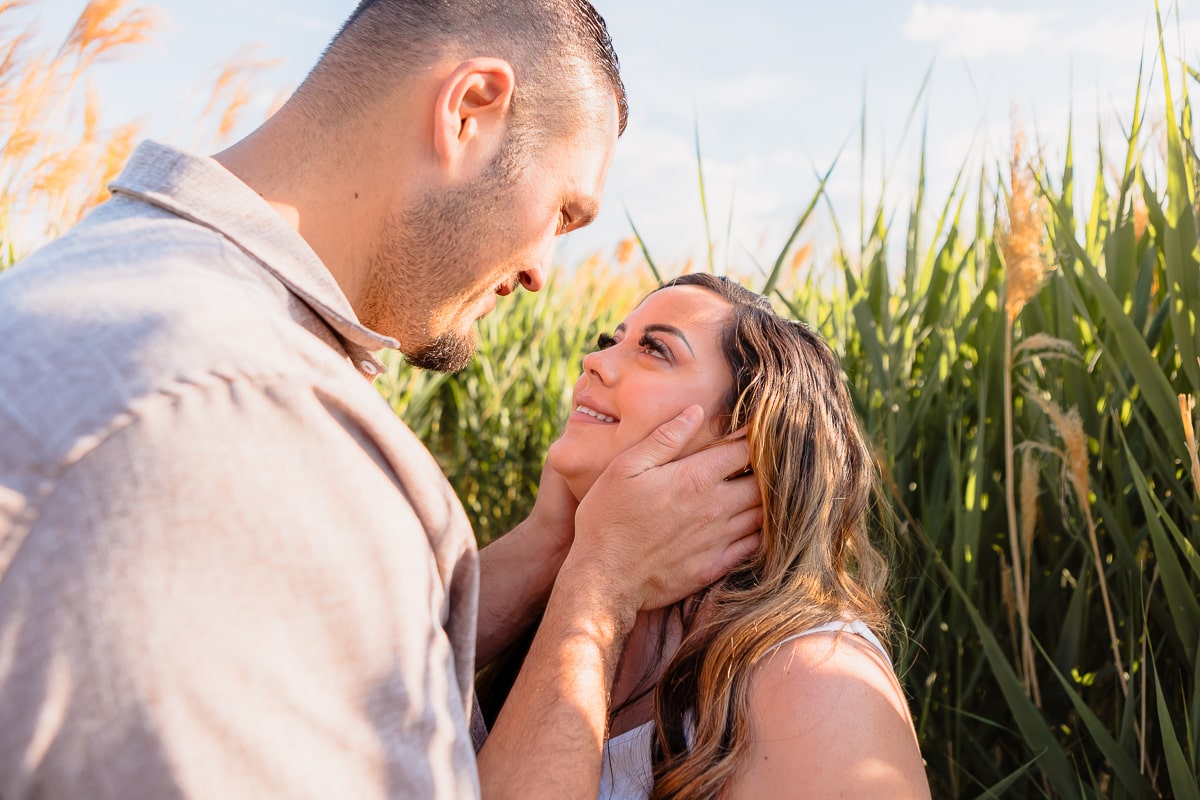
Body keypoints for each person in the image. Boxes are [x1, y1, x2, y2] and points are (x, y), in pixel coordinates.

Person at [0, 2, 761, 798]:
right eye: (564, 211)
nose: (542, 270)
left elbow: (345, 655)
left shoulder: (125, 286)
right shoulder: (244, 417)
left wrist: (554, 544)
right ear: (469, 110)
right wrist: (598, 592)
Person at [477, 273, 932, 798]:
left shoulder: (818, 682)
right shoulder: (553, 619)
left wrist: (597, 579)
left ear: (744, 438)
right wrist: (560, 546)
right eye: (611, 341)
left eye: (654, 349)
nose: (593, 361)